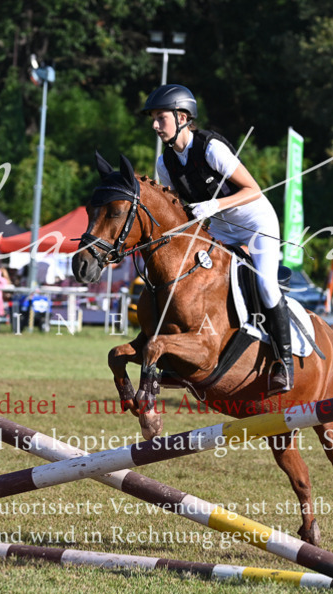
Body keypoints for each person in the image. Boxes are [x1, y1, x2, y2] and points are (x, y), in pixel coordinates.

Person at [142, 84, 293, 395]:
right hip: (220, 228)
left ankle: (285, 363)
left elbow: (253, 190)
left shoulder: (211, 148)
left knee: (265, 285)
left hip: (254, 222)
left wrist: (214, 205)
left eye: (161, 118)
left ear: (182, 117)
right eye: (153, 119)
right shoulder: (164, 163)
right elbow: (176, 209)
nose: (155, 125)